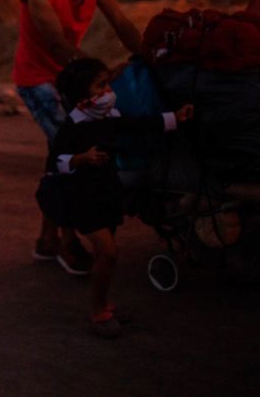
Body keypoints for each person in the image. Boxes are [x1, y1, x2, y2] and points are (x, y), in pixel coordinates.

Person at [13, 0, 143, 275]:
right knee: (72, 150)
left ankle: (46, 240)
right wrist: (97, 72)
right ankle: (67, 244)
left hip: (72, 76)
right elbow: (55, 42)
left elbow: (120, 21)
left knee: (61, 153)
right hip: (37, 78)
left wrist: (148, 55)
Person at [42, 58, 192, 337]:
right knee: (108, 253)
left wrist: (175, 118)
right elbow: (55, 163)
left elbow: (137, 125)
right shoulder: (73, 127)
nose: (109, 90)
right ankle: (98, 313)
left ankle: (102, 305)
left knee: (107, 257)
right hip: (83, 198)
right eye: (101, 85)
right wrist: (80, 158)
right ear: (82, 94)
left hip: (106, 191)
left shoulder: (108, 117)